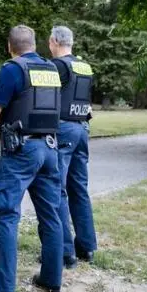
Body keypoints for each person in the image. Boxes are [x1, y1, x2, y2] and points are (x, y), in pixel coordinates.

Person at [0, 25, 64, 292]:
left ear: (10, 46)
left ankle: (2, 289)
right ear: (35, 44)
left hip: (21, 150)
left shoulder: (12, 69)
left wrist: (4, 137)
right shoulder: (51, 69)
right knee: (51, 214)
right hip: (50, 148)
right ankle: (51, 279)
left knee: (7, 214)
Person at [49, 26, 98, 267]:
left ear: (53, 41)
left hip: (64, 128)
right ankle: (86, 247)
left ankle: (64, 251)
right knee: (79, 187)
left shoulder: (58, 67)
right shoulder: (85, 67)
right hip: (82, 128)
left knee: (56, 188)